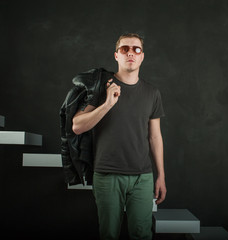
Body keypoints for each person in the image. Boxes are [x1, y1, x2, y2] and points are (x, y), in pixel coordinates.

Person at [71, 33, 166, 240]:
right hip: (107, 175)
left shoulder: (152, 93)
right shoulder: (101, 87)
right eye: (125, 49)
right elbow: (77, 126)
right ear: (116, 55)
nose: (130, 53)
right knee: (109, 235)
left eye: (136, 49)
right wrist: (107, 104)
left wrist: (161, 175)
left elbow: (155, 137)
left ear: (142, 57)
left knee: (141, 234)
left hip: (143, 177)